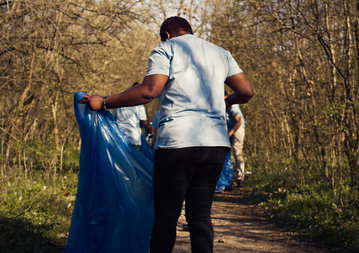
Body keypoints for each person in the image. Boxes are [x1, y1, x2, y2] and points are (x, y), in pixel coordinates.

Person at [80, 16, 253, 253]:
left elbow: (149, 91)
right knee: (200, 217)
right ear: (190, 32)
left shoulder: (166, 49)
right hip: (214, 144)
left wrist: (106, 101)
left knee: (166, 217)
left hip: (178, 144)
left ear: (166, 35)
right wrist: (227, 100)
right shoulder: (220, 52)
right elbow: (246, 91)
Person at [111, 82, 151, 150]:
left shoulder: (119, 102)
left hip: (120, 135)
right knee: (134, 158)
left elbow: (113, 118)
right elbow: (143, 122)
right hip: (134, 136)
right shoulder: (139, 105)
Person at [226, 103, 246, 188]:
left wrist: (229, 133)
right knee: (223, 151)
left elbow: (239, 121)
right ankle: (226, 180)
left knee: (237, 151)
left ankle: (240, 179)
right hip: (227, 127)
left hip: (238, 128)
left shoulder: (232, 105)